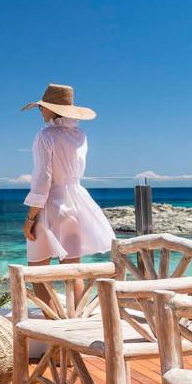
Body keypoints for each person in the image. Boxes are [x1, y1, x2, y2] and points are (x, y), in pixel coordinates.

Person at [21, 84, 114, 272]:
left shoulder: (45, 135)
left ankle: (50, 304)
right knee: (73, 272)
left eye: (42, 106)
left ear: (51, 109)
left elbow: (43, 179)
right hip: (76, 203)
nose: (40, 110)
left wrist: (30, 219)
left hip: (50, 206)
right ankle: (75, 304)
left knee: (37, 272)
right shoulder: (80, 135)